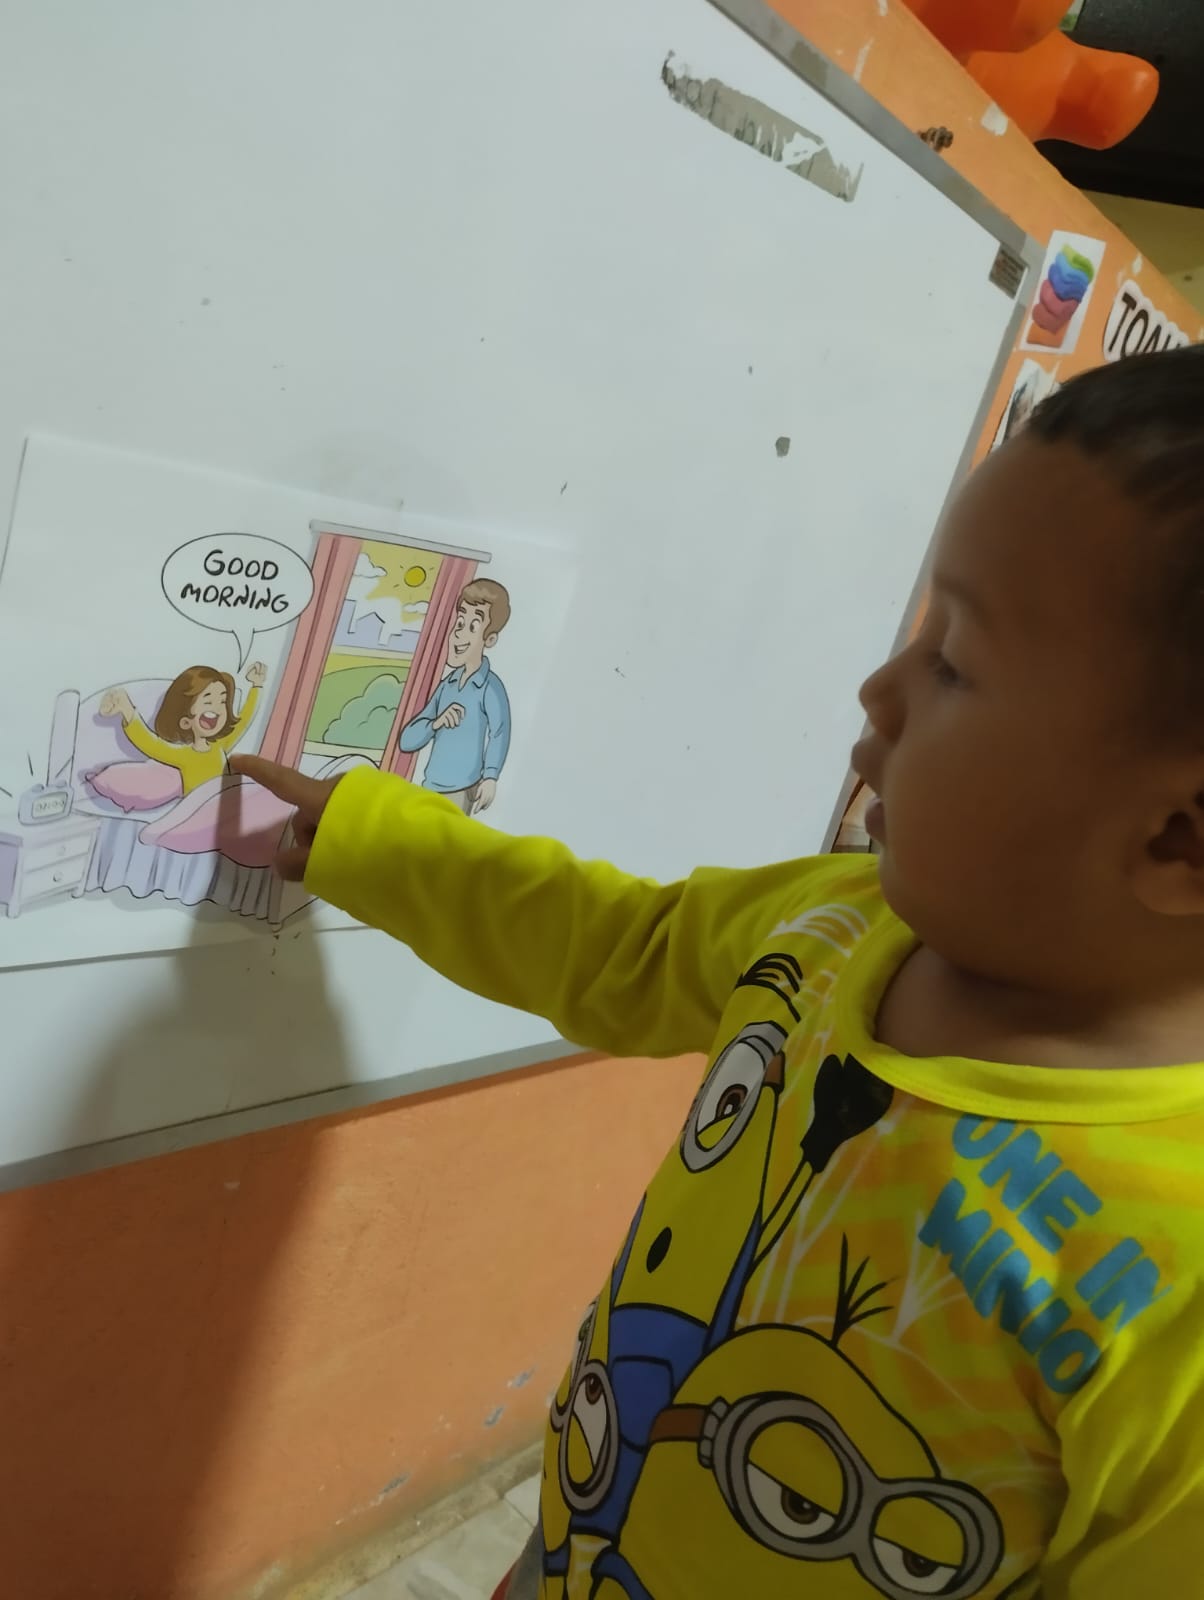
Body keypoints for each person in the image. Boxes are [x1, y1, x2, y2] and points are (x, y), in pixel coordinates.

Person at [235, 348, 1204, 1599]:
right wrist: (379, 842)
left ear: (1177, 839)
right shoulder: (834, 926)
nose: (880, 688)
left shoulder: (1174, 1287)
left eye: (955, 660)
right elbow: (618, 941)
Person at [398, 578, 511, 815]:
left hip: (461, 791)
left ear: (489, 639)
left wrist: (491, 777)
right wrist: (436, 723)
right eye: (459, 623)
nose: (459, 633)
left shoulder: (490, 687)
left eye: (472, 626)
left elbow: (500, 732)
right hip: (429, 787)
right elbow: (407, 741)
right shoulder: (446, 686)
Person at [101, 662, 266, 794]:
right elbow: (151, 744)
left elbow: (244, 720)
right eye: (208, 701)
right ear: (186, 722)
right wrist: (128, 710)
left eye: (222, 701)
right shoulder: (184, 755)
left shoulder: (221, 745)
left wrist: (257, 685)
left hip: (221, 807)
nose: (216, 708)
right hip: (196, 811)